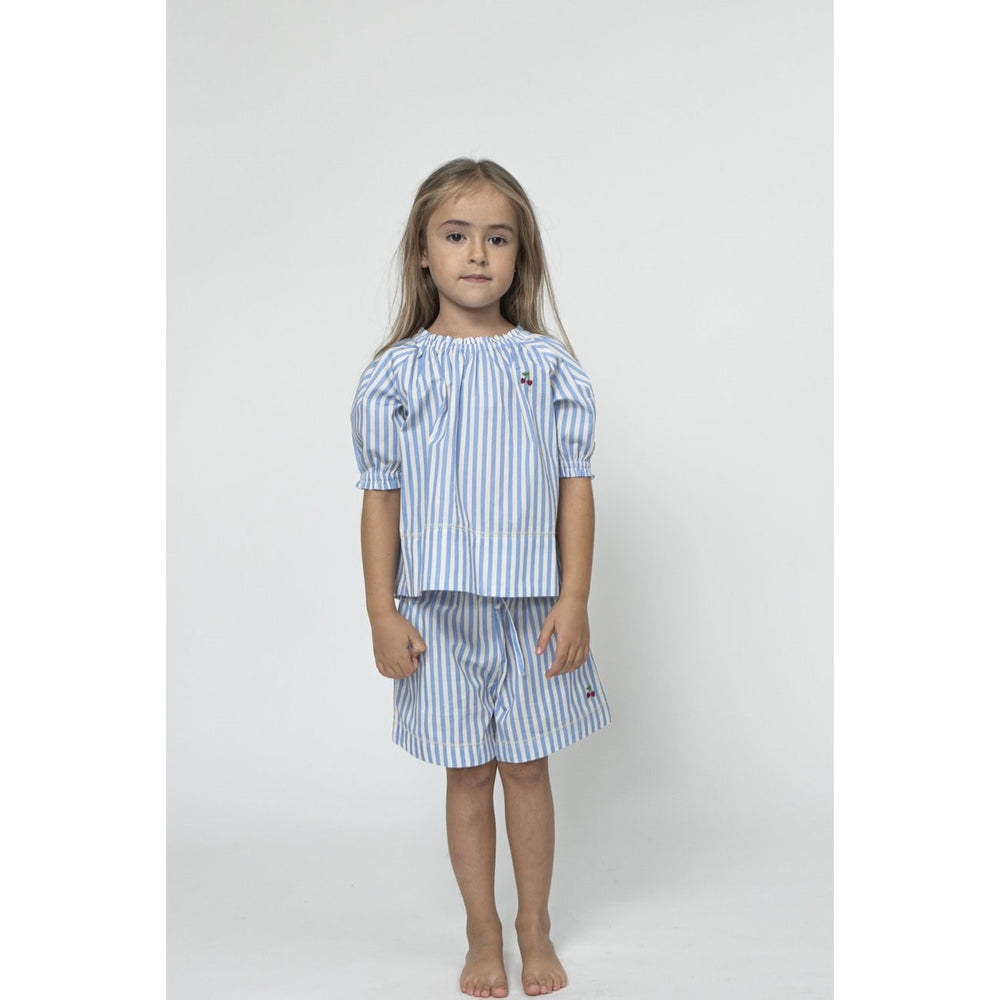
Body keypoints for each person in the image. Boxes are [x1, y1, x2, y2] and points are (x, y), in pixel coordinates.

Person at [350, 157, 611, 998]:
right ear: (422, 252)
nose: (476, 253)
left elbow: (576, 485)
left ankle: (534, 924)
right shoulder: (396, 374)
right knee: (467, 774)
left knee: (527, 769)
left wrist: (574, 598)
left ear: (519, 254)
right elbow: (380, 498)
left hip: (533, 611)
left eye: (497, 238)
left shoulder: (549, 367)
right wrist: (381, 611)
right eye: (456, 235)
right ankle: (482, 930)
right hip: (438, 614)